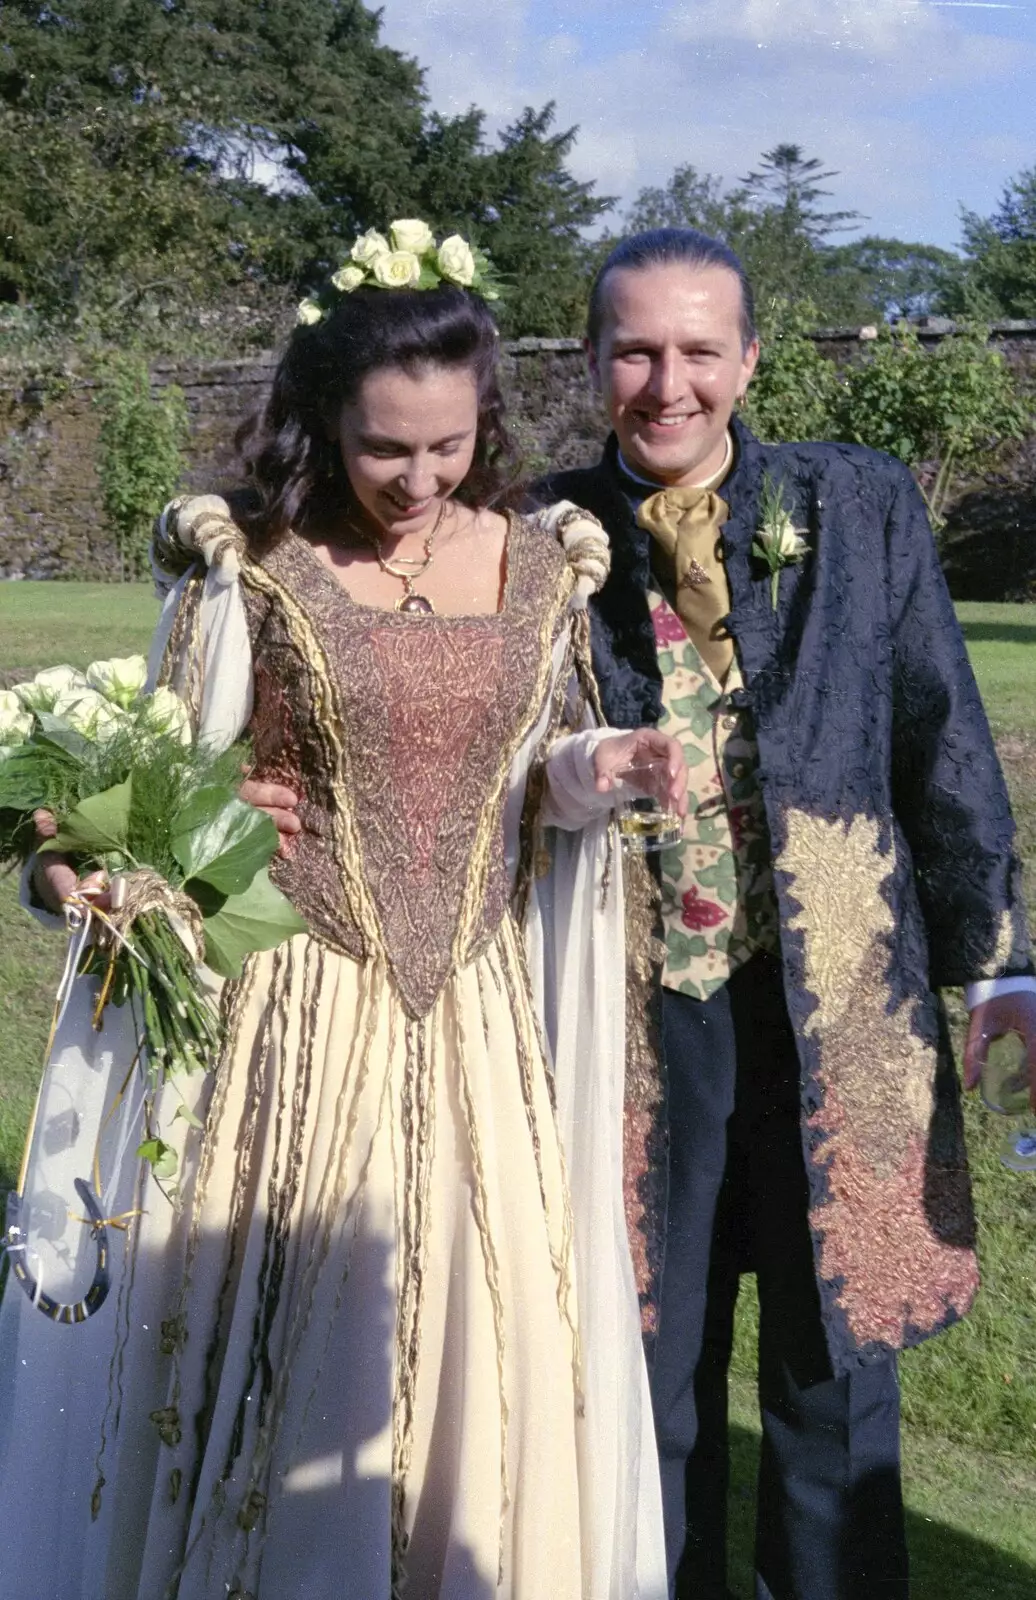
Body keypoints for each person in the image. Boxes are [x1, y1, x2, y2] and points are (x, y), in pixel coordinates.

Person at [0, 225, 682, 1599]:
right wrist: (84, 861)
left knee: (485, 1342)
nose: (420, 481)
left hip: (481, 1018)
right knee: (300, 1348)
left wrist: (586, 770)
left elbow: (518, 773)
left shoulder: (546, 561)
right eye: (386, 450)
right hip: (300, 1010)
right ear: (322, 421)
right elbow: (160, 782)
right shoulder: (248, 565)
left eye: (448, 445)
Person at [533, 227, 1036, 1600]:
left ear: (750, 359)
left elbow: (940, 738)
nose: (668, 382)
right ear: (591, 363)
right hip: (638, 1022)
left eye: (701, 349)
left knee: (832, 1373)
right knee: (651, 1368)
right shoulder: (534, 538)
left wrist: (1000, 962)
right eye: (636, 349)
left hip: (842, 1013)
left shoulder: (859, 504)